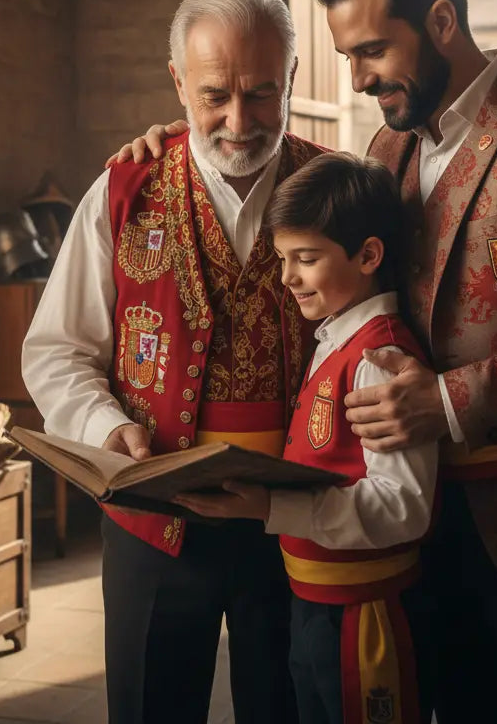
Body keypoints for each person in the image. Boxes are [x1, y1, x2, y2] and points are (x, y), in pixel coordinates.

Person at [113, 0, 497, 724]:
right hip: (414, 528)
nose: (359, 76)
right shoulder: (385, 145)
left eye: (373, 49)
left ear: (442, 21)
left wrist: (446, 402)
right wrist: (182, 142)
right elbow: (300, 199)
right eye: (345, 56)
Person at [22, 0, 327, 724]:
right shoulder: (123, 189)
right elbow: (58, 348)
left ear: (291, 78)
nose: (236, 120)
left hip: (296, 517)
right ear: (178, 82)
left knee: (291, 706)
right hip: (152, 521)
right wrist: (104, 430)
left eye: (261, 94)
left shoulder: (333, 190)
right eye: (214, 94)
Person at [175, 152, 438, 724]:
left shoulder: (379, 359)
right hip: (315, 600)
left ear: (368, 255)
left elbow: (403, 507)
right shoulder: (335, 338)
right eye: (284, 258)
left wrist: (271, 505)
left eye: (307, 259)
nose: (288, 276)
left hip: (365, 611)